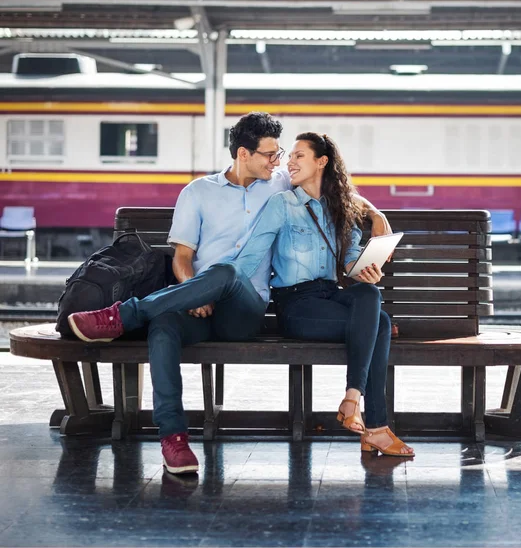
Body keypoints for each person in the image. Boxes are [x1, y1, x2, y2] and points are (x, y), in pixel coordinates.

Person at [67, 112, 394, 475]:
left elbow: (332, 188)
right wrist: (194, 292)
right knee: (164, 327)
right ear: (243, 154)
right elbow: (182, 257)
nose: (278, 161)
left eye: (281, 153)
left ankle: (123, 315)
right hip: (197, 301)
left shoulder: (279, 184)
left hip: (245, 305)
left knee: (226, 272)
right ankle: (173, 438)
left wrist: (375, 213)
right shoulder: (198, 192)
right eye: (270, 154)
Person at [234, 132, 414, 457]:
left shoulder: (340, 209)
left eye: (299, 156)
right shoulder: (282, 205)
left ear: (322, 162)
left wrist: (365, 269)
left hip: (331, 296)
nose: (290, 162)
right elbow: (250, 257)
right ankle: (375, 427)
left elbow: (349, 263)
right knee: (382, 326)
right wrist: (215, 288)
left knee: (370, 296)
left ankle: (352, 400)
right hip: (296, 305)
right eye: (290, 156)